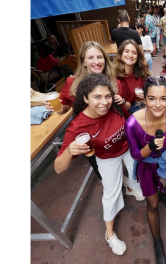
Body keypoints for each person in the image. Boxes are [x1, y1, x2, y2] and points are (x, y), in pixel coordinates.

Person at [44, 41, 143, 201]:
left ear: (105, 59)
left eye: (99, 57)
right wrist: (56, 107)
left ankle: (130, 183)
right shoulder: (71, 83)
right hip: (90, 136)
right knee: (101, 168)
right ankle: (121, 184)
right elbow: (64, 106)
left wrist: (121, 101)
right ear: (83, 61)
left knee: (128, 161)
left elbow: (125, 111)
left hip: (116, 133)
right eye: (90, 57)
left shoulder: (114, 82)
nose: (96, 61)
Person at [54, 73, 132, 256]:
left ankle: (130, 188)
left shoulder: (113, 107)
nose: (104, 102)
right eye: (97, 97)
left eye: (107, 96)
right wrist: (69, 151)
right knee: (111, 194)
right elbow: (58, 168)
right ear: (85, 98)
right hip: (107, 159)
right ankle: (110, 234)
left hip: (128, 149)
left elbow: (129, 120)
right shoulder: (77, 126)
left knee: (138, 178)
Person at [125, 77, 166, 264]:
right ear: (144, 98)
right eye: (152, 98)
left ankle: (162, 192)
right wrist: (150, 146)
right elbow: (135, 155)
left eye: (163, 99)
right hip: (147, 165)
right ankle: (157, 242)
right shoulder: (132, 123)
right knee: (152, 205)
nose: (158, 104)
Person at [113, 39, 151, 114]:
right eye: (126, 51)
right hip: (119, 114)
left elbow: (149, 99)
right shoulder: (113, 75)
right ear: (120, 55)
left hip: (137, 113)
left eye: (134, 53)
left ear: (137, 57)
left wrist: (145, 97)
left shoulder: (142, 75)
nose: (130, 55)